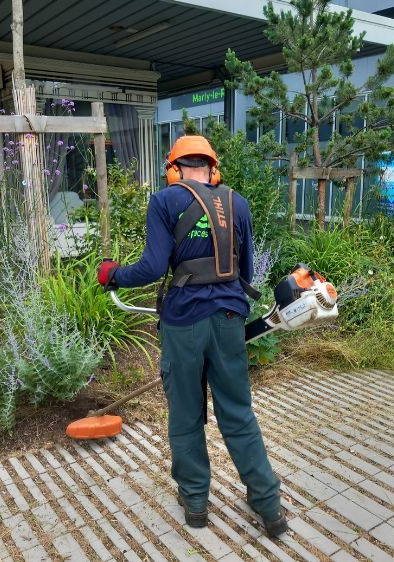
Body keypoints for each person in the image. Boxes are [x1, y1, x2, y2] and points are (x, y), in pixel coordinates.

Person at [96, 135, 287, 537]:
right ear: (213, 168)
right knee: (237, 413)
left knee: (186, 414)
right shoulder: (238, 203)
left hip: (183, 323)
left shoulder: (165, 201)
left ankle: (196, 502)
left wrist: (113, 274)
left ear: (174, 168)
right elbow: (246, 270)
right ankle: (269, 506)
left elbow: (151, 268)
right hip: (230, 319)